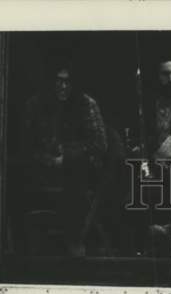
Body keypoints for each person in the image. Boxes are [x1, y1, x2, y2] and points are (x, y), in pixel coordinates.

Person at [20, 60, 108, 258]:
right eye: (58, 81)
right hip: (42, 167)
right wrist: (46, 159)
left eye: (67, 81)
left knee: (75, 177)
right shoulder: (36, 104)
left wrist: (67, 156)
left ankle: (74, 240)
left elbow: (99, 144)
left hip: (77, 170)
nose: (63, 86)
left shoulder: (86, 104)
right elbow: (25, 143)